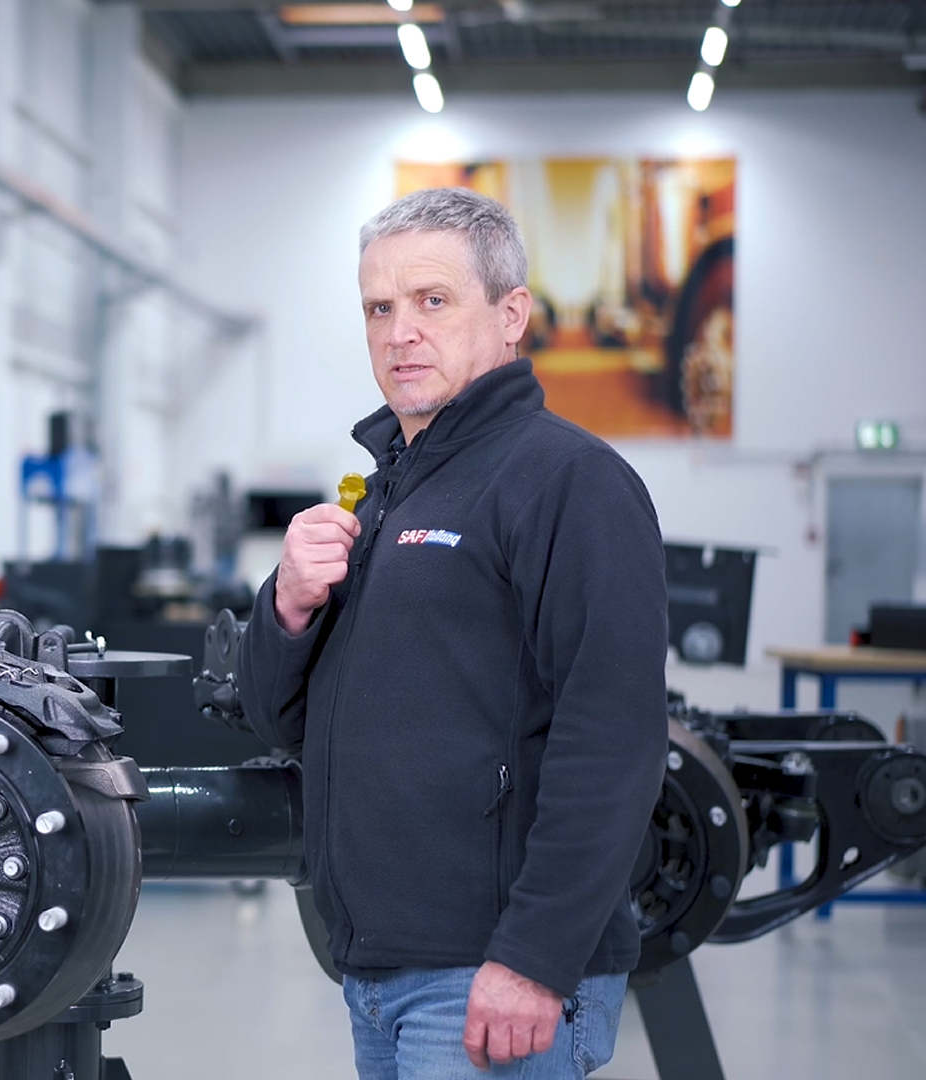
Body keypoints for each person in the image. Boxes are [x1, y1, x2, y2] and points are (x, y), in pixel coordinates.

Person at [238, 187, 668, 1079]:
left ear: (510, 316)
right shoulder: (390, 493)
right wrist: (286, 607)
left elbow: (614, 739)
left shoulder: (567, 481)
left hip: (488, 975)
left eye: (432, 301)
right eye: (379, 309)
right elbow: (287, 728)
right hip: (377, 967)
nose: (400, 332)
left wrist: (535, 959)